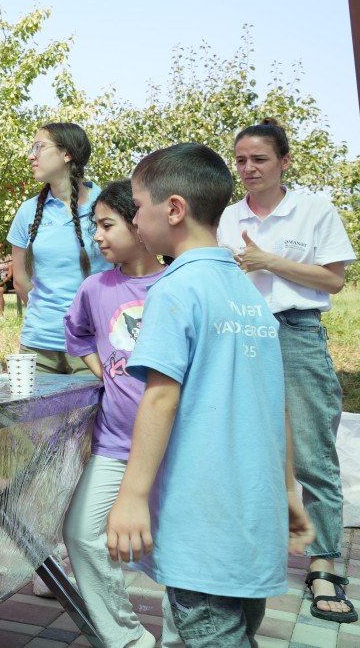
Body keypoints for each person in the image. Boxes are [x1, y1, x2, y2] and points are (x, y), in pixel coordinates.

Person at [106, 143, 314, 647]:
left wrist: (131, 496)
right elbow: (277, 403)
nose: (135, 219)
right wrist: (288, 492)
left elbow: (160, 399)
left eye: (139, 206)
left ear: (174, 209)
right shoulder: (248, 293)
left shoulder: (173, 290)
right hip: (254, 526)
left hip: (203, 533)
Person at [217, 118, 357, 624]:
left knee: (312, 452)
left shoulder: (313, 210)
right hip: (239, 333)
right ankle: (247, 551)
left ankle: (323, 563)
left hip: (296, 332)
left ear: (284, 161)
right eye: (241, 160)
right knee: (242, 446)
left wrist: (267, 261)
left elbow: (334, 280)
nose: (248, 168)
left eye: (259, 159)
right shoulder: (226, 216)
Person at [61, 180, 171, 648]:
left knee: (175, 549)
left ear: (139, 223)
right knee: (83, 534)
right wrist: (104, 371)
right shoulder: (95, 288)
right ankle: (128, 640)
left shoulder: (176, 283)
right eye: (95, 226)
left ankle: (183, 637)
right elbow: (78, 334)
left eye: (107, 225)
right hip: (115, 443)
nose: (98, 236)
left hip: (177, 445)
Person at [7, 122, 112, 374]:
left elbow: (128, 271)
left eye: (39, 147)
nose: (31, 156)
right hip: (38, 347)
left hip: (94, 344)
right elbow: (20, 280)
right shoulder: (28, 211)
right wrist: (49, 319)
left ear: (67, 154)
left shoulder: (108, 206)